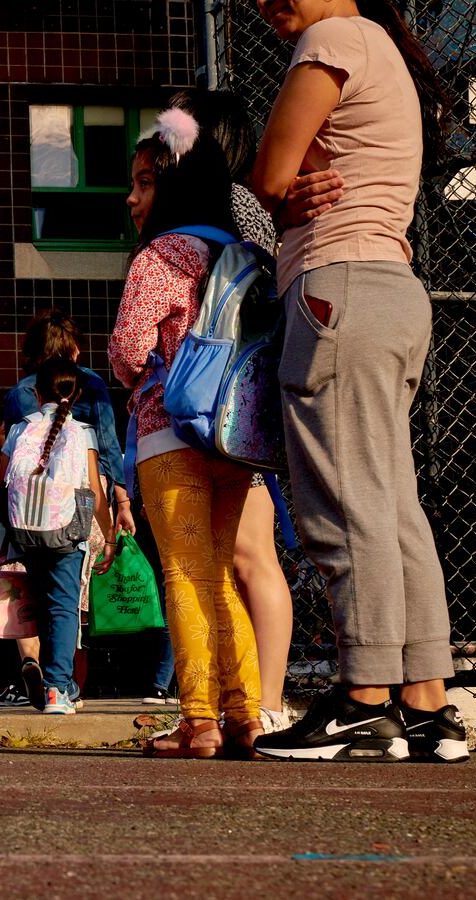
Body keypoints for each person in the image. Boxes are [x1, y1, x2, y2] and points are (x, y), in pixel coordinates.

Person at [248, 0, 466, 763]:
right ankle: (427, 705)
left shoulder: (332, 36)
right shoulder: (380, 49)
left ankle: (363, 701)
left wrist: (279, 179)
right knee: (391, 504)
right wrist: (293, 176)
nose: (263, 0)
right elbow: (290, 175)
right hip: (389, 291)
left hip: (336, 287)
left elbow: (266, 175)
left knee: (342, 502)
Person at [110, 113, 263, 758]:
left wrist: (139, 369)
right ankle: (246, 715)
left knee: (185, 572)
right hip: (234, 435)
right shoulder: (240, 250)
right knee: (223, 574)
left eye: (145, 182)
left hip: (168, 434)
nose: (132, 197)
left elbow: (126, 351)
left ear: (171, 185)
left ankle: (198, 719)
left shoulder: (162, 254)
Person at [162, 88, 297, 734]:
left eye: (178, 121)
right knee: (234, 558)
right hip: (231, 399)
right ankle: (242, 702)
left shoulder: (234, 203)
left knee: (249, 556)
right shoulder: (225, 202)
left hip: (232, 400)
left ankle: (265, 702)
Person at [0, 308, 133, 709]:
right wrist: (117, 513)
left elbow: (4, 469)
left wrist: (2, 523)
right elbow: (106, 455)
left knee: (26, 593)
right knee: (68, 602)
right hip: (76, 516)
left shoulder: (20, 395)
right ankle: (63, 684)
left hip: (25, 518)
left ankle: (29, 665)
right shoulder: (90, 387)